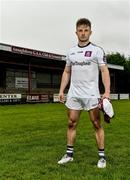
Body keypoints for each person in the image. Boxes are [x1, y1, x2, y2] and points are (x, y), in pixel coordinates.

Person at [58, 18, 110, 168]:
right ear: (76, 32)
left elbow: (104, 71)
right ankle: (69, 155)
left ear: (90, 32)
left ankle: (102, 157)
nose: (83, 33)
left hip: (92, 95)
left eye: (86, 30)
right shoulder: (71, 51)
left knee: (96, 124)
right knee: (71, 123)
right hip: (74, 94)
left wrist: (106, 91)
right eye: (80, 30)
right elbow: (67, 71)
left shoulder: (97, 50)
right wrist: (62, 90)